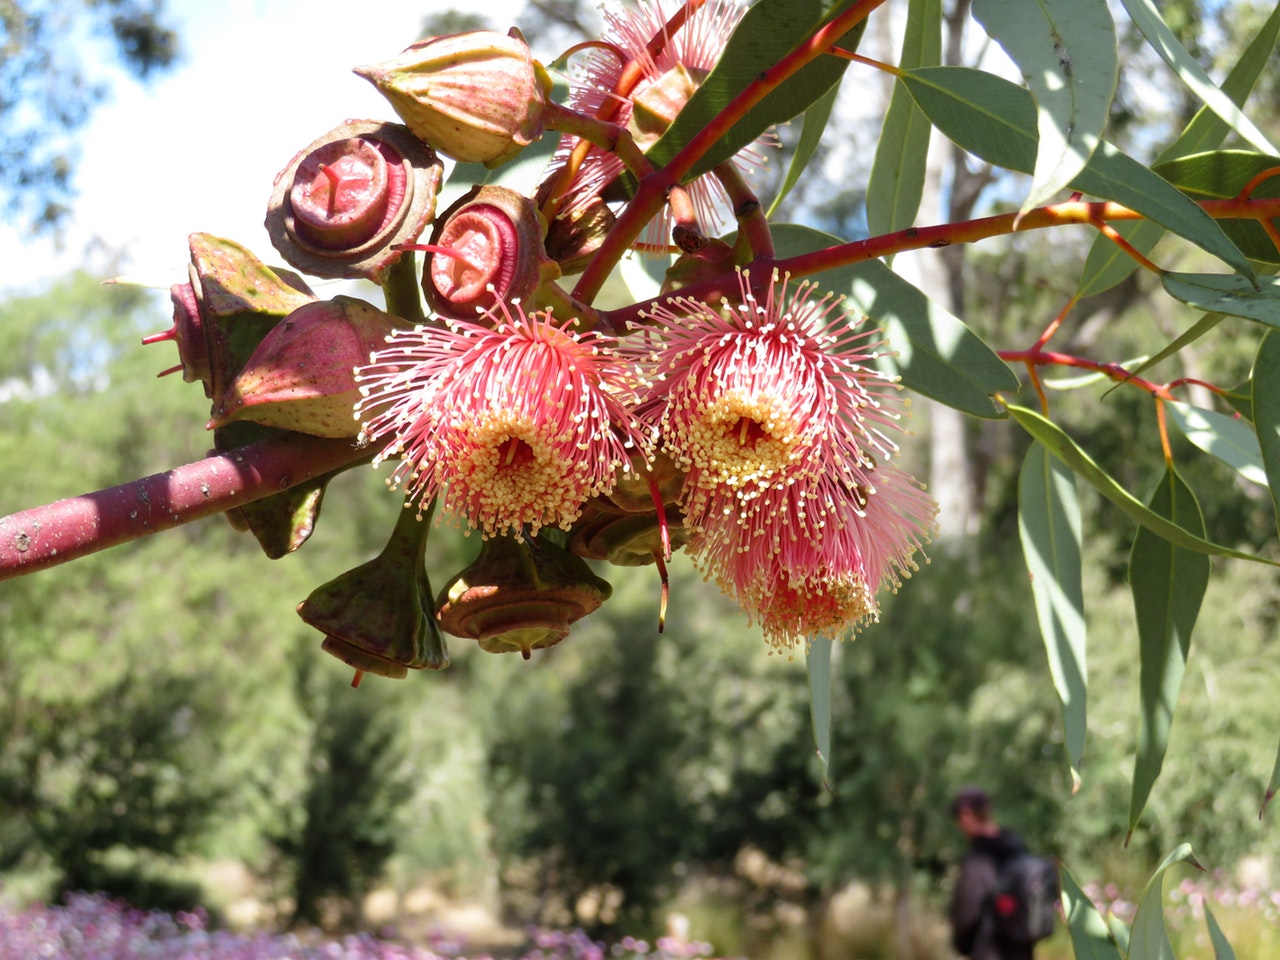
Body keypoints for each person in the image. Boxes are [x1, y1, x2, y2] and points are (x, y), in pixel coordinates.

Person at [948, 787, 1035, 960]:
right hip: (1023, 951)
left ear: (967, 813)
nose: (958, 824)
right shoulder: (1017, 847)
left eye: (957, 817)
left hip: (989, 951)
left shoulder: (979, 857)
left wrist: (961, 943)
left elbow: (968, 910)